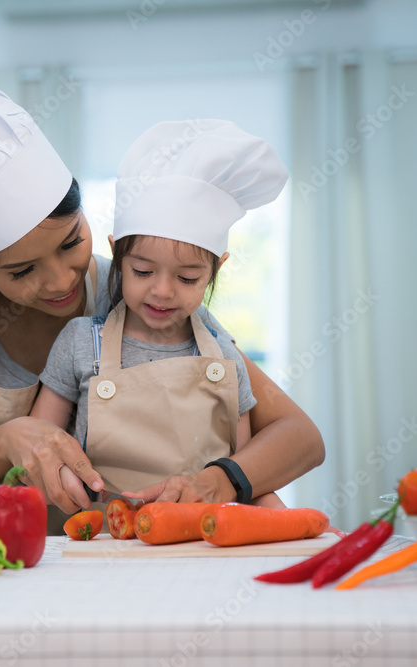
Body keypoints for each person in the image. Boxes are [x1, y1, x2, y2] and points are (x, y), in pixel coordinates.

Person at [0, 64, 324, 517]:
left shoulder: (145, 298)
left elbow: (300, 436)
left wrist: (222, 480)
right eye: (23, 271)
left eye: (71, 243)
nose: (63, 280)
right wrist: (5, 442)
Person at [32, 120, 290, 508]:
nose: (163, 291)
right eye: (143, 271)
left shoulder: (226, 360)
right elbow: (39, 447)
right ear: (116, 254)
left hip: (202, 547)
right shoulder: (80, 342)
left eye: (188, 277)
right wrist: (60, 475)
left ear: (216, 269)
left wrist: (289, 529)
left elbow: (247, 476)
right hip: (105, 542)